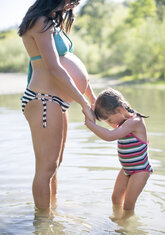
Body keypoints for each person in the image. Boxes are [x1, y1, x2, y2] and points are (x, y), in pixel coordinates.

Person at [18, 0, 96, 212]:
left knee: (55, 164)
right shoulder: (39, 22)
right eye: (71, 0)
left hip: (57, 100)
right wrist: (83, 103)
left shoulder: (52, 23)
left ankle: (53, 211)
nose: (73, 5)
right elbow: (54, 68)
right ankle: (43, 225)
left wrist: (92, 97)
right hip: (43, 99)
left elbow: (70, 64)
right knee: (46, 168)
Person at [85, 88, 153, 221]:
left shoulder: (135, 122)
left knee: (128, 205)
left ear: (120, 110)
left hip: (140, 170)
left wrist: (90, 125)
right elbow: (108, 124)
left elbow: (110, 136)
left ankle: (127, 228)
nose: (111, 122)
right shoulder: (121, 121)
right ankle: (117, 218)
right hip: (127, 169)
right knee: (115, 198)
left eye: (110, 118)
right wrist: (91, 109)